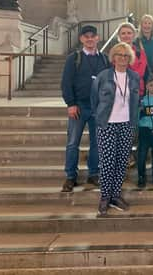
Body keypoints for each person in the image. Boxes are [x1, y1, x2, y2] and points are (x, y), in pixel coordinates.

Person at [91, 42, 140, 217]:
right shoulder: (103, 76)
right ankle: (104, 197)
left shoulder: (134, 77)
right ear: (113, 57)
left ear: (130, 59)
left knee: (121, 162)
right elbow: (94, 99)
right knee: (108, 162)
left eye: (126, 55)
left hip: (126, 123)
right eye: (119, 55)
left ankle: (115, 195)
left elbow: (135, 101)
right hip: (107, 124)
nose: (122, 58)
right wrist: (100, 117)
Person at [60, 25, 109, 193]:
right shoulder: (74, 58)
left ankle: (94, 173)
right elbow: (66, 83)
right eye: (86, 36)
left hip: (98, 108)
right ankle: (70, 176)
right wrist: (71, 104)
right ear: (81, 39)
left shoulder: (104, 59)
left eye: (92, 36)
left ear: (97, 38)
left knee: (97, 143)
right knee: (73, 142)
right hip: (79, 106)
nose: (89, 39)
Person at [117, 22, 148, 96]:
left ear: (134, 35)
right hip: (119, 92)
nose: (126, 35)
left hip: (137, 91)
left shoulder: (140, 52)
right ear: (119, 36)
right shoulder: (114, 52)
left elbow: (141, 73)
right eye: (123, 33)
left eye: (129, 33)